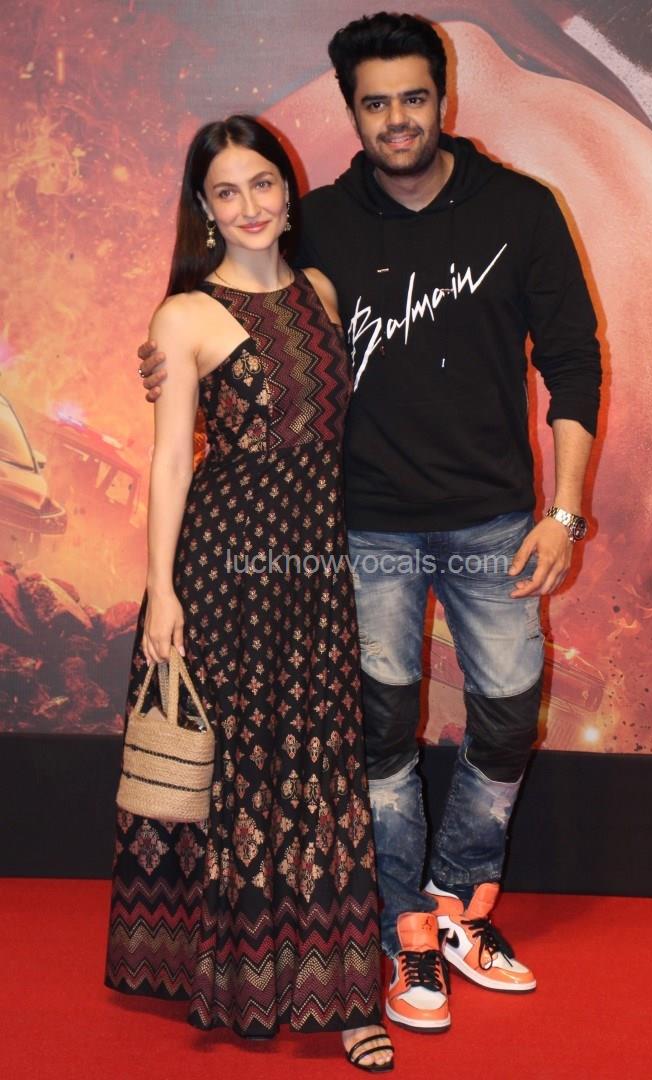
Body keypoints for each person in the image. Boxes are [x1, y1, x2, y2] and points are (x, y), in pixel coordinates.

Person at [138, 13, 602, 1034]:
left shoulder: (522, 209)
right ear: (353, 111)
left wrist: (566, 511)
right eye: (376, 102)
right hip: (363, 528)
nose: (397, 119)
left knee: (508, 716)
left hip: (494, 520)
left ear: (444, 96)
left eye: (413, 97)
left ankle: (458, 900)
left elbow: (574, 362)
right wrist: (173, 359)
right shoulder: (318, 228)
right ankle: (404, 929)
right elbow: (246, 309)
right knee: (380, 732)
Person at [106, 113, 394, 1072]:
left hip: (312, 570)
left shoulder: (319, 291)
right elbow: (170, 462)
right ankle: (236, 982)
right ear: (204, 207)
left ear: (287, 187)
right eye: (225, 192)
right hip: (224, 568)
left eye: (262, 183)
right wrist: (161, 592)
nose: (249, 206)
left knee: (323, 770)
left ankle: (345, 996)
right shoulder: (184, 315)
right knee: (237, 775)